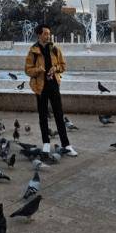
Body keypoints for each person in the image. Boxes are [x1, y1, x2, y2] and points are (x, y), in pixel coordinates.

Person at [24, 25, 77, 157]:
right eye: (46, 34)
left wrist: (55, 68)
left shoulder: (54, 49)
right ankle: (46, 143)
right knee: (43, 116)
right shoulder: (33, 51)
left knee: (59, 115)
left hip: (53, 85)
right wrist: (38, 70)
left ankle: (66, 145)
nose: (48, 36)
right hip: (40, 87)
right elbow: (27, 70)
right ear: (39, 35)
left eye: (49, 33)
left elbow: (63, 66)